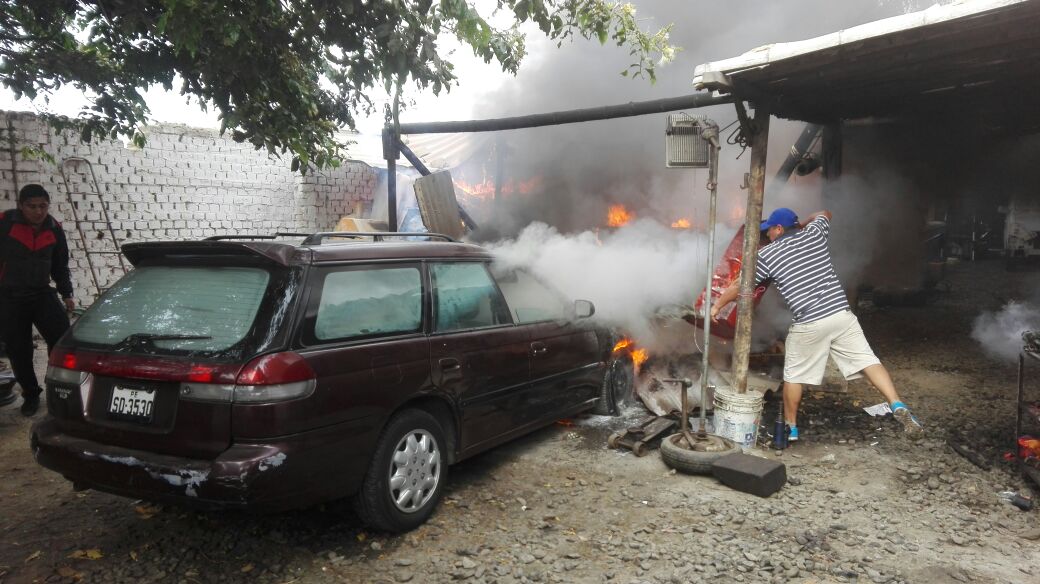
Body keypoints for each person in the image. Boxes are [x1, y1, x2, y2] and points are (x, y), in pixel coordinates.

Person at [711, 207, 922, 441]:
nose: (767, 235)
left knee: (794, 376)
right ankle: (897, 404)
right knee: (868, 360)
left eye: (769, 230)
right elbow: (825, 213)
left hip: (810, 322)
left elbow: (739, 286)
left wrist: (717, 306)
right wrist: (806, 222)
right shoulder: (814, 234)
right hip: (841, 315)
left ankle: (790, 428)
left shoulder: (767, 255)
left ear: (779, 229)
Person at [0, 184, 75, 416]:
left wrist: (67, 294)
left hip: (42, 293)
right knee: (19, 350)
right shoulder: (5, 223)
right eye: (32, 206)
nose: (38, 211)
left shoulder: (54, 228)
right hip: (9, 296)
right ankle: (31, 394)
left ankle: (56, 387)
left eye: (43, 206)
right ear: (21, 206)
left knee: (63, 339)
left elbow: (60, 265)